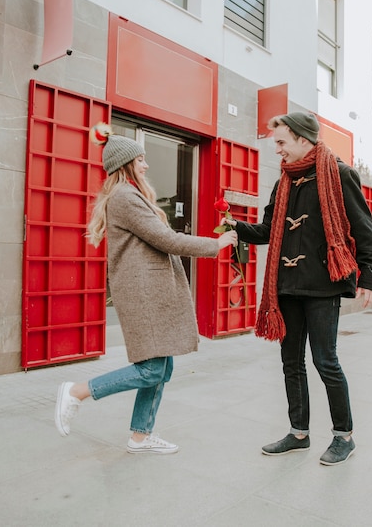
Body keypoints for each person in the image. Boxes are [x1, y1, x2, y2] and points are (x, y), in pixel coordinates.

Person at [55, 123, 237, 454]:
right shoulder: (126, 197)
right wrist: (217, 244)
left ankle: (140, 435)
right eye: (141, 160)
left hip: (150, 291)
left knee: (161, 367)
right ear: (126, 165)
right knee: (151, 368)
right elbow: (166, 239)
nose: (147, 165)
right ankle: (77, 391)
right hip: (145, 294)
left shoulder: (129, 195)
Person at [223, 111, 372, 465]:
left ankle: (344, 436)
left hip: (324, 284)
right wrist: (235, 225)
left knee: (326, 361)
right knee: (291, 362)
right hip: (287, 286)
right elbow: (268, 231)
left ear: (302, 138)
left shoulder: (339, 174)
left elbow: (364, 229)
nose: (277, 150)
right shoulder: (284, 182)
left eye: (281, 142)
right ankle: (299, 432)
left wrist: (371, 276)